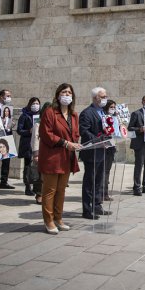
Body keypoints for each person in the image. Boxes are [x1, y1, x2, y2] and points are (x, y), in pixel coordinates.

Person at [38, 83, 81, 234]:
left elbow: (75, 134)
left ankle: (58, 218)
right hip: (52, 157)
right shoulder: (50, 112)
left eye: (69, 92)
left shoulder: (74, 115)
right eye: (64, 92)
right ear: (58, 95)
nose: (67, 95)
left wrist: (75, 143)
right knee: (50, 190)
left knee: (61, 190)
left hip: (67, 157)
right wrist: (65, 143)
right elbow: (46, 134)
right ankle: (48, 220)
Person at [79, 87, 112, 219]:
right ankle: (87, 210)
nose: (105, 99)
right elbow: (84, 131)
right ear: (94, 98)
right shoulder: (87, 113)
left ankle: (97, 205)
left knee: (99, 180)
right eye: (102, 96)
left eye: (105, 96)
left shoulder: (103, 112)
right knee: (90, 181)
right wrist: (98, 140)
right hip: (91, 152)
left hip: (102, 151)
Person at [0, 89, 15, 190]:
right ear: (1, 96)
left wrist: (11, 124)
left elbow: (9, 121)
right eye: (7, 95)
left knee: (6, 160)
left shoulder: (9, 108)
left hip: (7, 135)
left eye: (10, 96)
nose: (9, 98)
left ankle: (4, 181)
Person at [17, 97, 40, 197]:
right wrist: (29, 131)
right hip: (27, 144)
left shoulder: (40, 116)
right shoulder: (24, 116)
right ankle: (27, 187)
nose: (36, 105)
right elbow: (19, 130)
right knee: (27, 166)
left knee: (37, 166)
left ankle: (36, 187)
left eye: (37, 103)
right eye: (34, 103)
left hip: (37, 143)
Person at [30, 102, 51, 205]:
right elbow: (35, 139)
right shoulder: (38, 123)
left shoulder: (52, 122)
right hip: (40, 152)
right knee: (39, 175)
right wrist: (36, 154)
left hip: (50, 153)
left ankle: (45, 195)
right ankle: (39, 194)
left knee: (47, 176)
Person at [102, 100, 118, 201]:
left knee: (107, 170)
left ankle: (105, 192)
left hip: (112, 146)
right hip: (104, 146)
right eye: (111, 107)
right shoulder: (103, 117)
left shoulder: (115, 118)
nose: (113, 109)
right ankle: (102, 193)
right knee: (103, 171)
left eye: (114, 107)